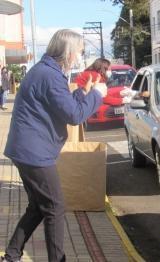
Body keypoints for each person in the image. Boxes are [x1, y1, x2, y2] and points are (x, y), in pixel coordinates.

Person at [2, 29, 107, 262]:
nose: (80, 57)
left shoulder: (46, 72)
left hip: (28, 150)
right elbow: (74, 115)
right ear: (68, 52)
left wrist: (83, 92)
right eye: (79, 52)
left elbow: (64, 105)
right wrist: (98, 95)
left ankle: (12, 254)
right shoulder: (50, 75)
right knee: (55, 207)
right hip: (34, 153)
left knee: (40, 207)